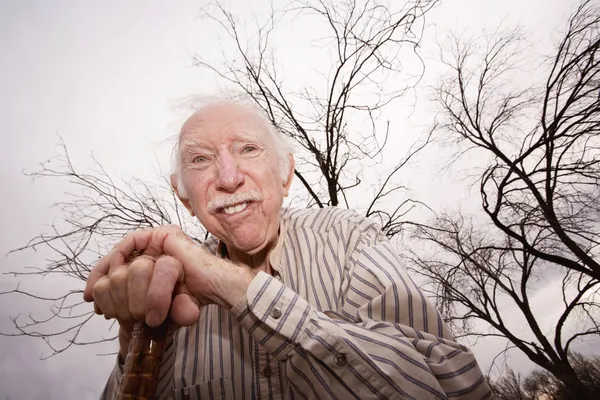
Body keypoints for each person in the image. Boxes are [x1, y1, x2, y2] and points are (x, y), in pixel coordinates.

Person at [84, 100, 491, 399]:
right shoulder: (172, 291)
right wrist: (137, 336)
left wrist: (232, 286)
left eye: (248, 149)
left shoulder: (348, 237)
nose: (228, 177)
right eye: (201, 159)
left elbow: (455, 386)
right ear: (186, 198)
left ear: (285, 175)